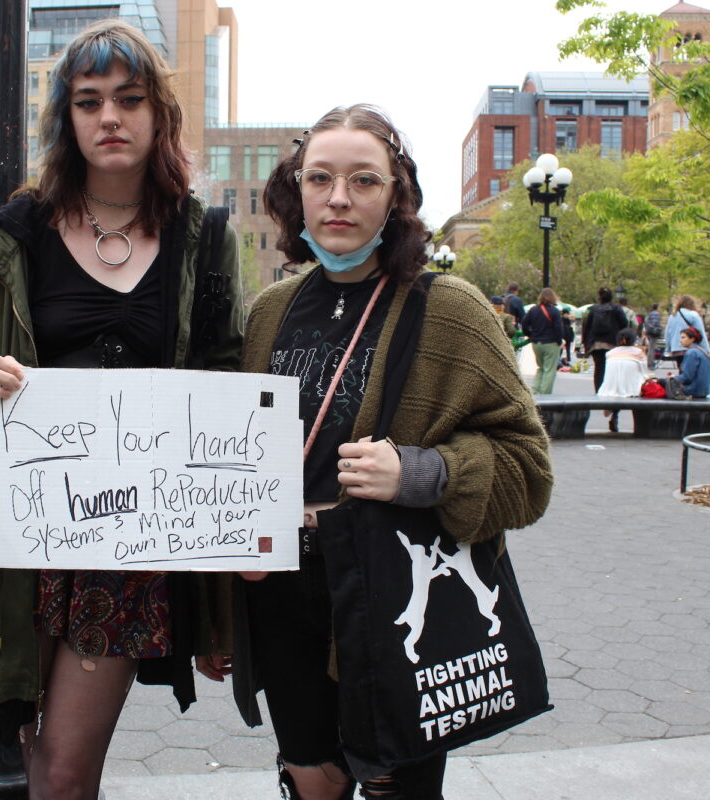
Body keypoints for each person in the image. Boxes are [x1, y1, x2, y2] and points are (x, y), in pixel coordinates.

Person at [0, 21, 244, 799]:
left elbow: (222, 384)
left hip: (127, 541)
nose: (110, 116)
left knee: (68, 769)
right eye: (89, 101)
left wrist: (228, 569)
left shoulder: (202, 238)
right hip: (19, 535)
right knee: (26, 753)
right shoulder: (14, 235)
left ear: (159, 116)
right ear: (67, 119)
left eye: (129, 99)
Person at [234, 104, 553, 800]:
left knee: (393, 785)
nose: (339, 197)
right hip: (283, 591)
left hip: (391, 593)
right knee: (309, 778)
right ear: (297, 192)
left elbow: (529, 471)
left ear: (397, 195)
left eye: (364, 180)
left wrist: (419, 472)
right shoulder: (270, 312)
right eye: (319, 178)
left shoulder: (450, 310)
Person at [597, 328, 650, 432]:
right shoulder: (638, 352)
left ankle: (615, 414)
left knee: (619, 386)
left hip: (609, 388)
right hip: (632, 389)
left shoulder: (610, 353)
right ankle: (639, 424)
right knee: (637, 382)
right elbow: (644, 372)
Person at [581, 286, 629, 392]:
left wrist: (585, 344)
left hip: (596, 344)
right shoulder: (616, 308)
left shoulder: (593, 310)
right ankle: (610, 389)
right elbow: (624, 323)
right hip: (612, 343)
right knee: (612, 369)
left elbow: (586, 327)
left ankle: (598, 390)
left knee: (599, 368)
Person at [523, 287, 565, 394]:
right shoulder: (554, 311)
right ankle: (545, 395)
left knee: (540, 368)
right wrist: (559, 341)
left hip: (536, 343)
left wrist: (530, 335)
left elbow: (524, 324)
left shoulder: (533, 310)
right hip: (550, 342)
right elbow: (558, 328)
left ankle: (535, 391)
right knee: (549, 370)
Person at [663, 294, 707, 371]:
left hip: (676, 349)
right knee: (691, 373)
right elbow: (701, 333)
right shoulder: (693, 315)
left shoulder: (672, 316)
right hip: (691, 348)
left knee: (682, 371)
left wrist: (668, 348)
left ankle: (681, 382)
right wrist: (706, 350)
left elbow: (668, 334)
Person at [676, 327, 710, 397]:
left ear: (692, 339)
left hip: (693, 390)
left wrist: (671, 379)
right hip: (703, 390)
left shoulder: (692, 352)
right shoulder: (702, 350)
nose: (680, 341)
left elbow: (687, 377)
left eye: (683, 338)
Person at [643, 302, 663, 369]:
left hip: (650, 332)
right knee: (652, 348)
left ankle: (650, 361)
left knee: (651, 347)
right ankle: (650, 362)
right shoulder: (656, 314)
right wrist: (659, 327)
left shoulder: (650, 314)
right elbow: (654, 323)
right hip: (654, 332)